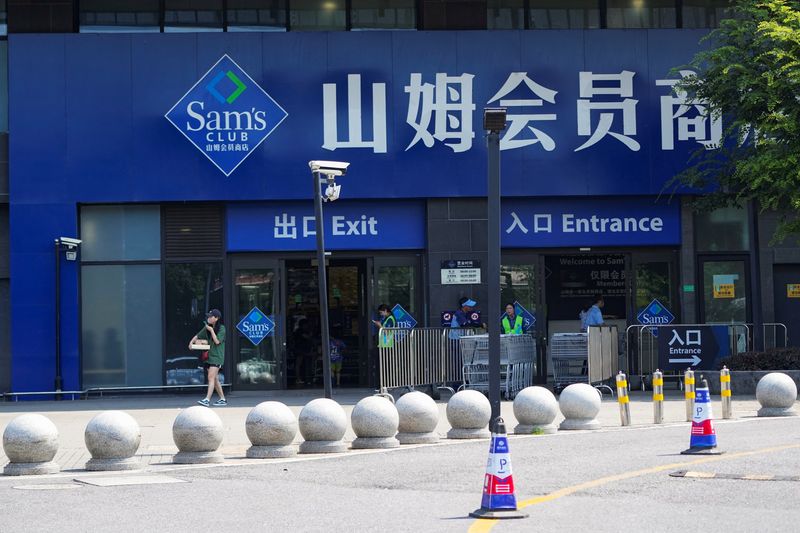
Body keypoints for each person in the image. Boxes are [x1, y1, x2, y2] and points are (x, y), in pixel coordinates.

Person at [189, 309, 226, 407]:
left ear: (216, 318)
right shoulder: (207, 327)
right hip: (209, 357)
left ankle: (207, 399)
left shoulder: (222, 328)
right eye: (208, 316)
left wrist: (211, 330)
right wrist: (191, 343)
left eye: (211, 316)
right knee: (215, 379)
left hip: (217, 357)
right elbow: (198, 335)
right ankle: (222, 399)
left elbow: (217, 341)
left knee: (210, 377)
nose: (209, 318)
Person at [291, 319, 314, 385]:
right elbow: (307, 337)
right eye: (306, 324)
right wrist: (310, 334)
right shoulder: (299, 331)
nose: (307, 326)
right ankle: (298, 379)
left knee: (302, 364)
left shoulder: (300, 331)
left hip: (303, 350)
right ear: (303, 325)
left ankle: (305, 378)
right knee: (298, 364)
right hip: (300, 350)